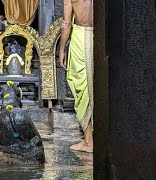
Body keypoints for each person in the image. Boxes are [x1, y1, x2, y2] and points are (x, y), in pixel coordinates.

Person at [59, 0, 94, 153]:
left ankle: (88, 141)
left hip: (81, 36)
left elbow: (66, 23)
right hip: (101, 38)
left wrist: (61, 49)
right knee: (98, 86)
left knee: (83, 88)